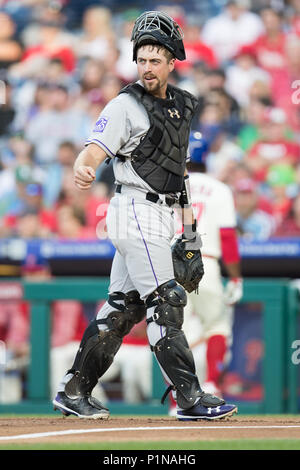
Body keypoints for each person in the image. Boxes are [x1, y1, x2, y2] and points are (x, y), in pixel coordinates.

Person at [52, 10, 237, 421]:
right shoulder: (125, 104)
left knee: (122, 307)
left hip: (164, 211)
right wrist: (84, 165)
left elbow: (179, 170)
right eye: (141, 59)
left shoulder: (184, 105)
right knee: (165, 300)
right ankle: (189, 397)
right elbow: (95, 147)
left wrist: (188, 229)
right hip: (134, 207)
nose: (147, 67)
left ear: (172, 61)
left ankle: (73, 390)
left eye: (155, 59)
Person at [176, 131, 243, 399]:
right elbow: (227, 238)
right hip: (208, 262)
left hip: (175, 262)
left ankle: (177, 398)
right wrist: (236, 277)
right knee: (217, 327)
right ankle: (212, 383)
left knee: (174, 332)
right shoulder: (219, 188)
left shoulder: (168, 186)